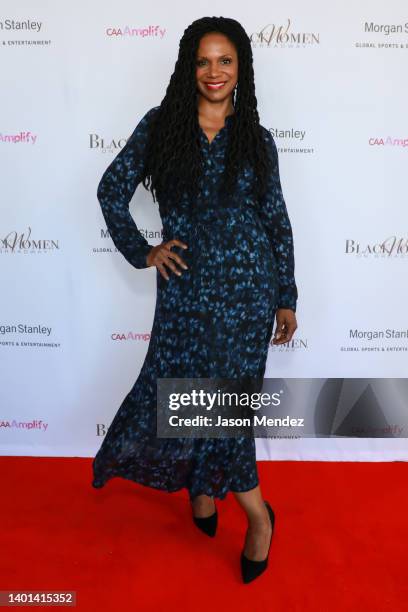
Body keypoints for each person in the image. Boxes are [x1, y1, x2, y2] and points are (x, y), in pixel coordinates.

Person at [92, 16, 298, 583]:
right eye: (204, 61)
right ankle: (203, 494)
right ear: (189, 66)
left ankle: (257, 517)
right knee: (182, 395)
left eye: (225, 61)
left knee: (226, 409)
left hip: (247, 293)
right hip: (184, 291)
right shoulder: (161, 128)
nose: (214, 72)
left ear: (241, 70)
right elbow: (112, 189)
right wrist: (144, 251)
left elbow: (276, 221)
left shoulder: (256, 139)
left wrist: (286, 295)